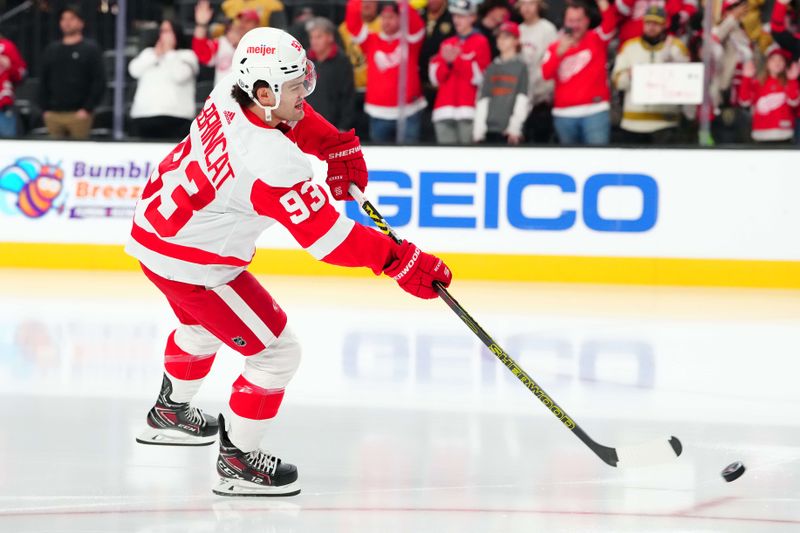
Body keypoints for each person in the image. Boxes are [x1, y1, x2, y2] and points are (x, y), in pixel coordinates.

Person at [125, 27, 452, 497]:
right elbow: (328, 240)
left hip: (156, 239)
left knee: (202, 328)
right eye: (298, 85)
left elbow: (290, 119)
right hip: (197, 265)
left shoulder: (228, 93)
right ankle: (238, 460)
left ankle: (169, 413)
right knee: (277, 352)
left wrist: (334, 143)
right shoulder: (272, 163)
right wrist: (399, 259)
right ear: (265, 91)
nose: (306, 93)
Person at [345, 0, 427, 143]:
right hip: (379, 113)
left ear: (400, 18)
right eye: (383, 17)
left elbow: (417, 27)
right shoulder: (371, 40)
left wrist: (402, 3)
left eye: (391, 17)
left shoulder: (410, 41)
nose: (386, 21)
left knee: (410, 158)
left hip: (409, 112)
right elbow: (353, 24)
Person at [541, 0, 617, 145]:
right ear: (564, 22)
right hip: (564, 115)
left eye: (579, 20)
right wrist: (558, 54)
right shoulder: (555, 47)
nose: (575, 25)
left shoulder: (597, 38)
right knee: (571, 163)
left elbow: (610, 22)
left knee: (598, 160)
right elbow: (545, 74)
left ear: (587, 21)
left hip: (595, 112)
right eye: (571, 20)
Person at [611, 6, 690, 143]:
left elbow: (687, 81)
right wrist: (630, 75)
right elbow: (617, 82)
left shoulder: (677, 47)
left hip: (665, 123)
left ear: (665, 24)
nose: (651, 27)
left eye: (656, 23)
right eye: (648, 23)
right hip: (632, 122)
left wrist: (673, 62)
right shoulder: (629, 47)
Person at [37, 5, 105, 140]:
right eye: (63, 19)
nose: (66, 22)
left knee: (78, 154)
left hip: (79, 114)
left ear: (81, 23)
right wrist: (45, 109)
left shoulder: (90, 49)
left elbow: (99, 80)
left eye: (71, 19)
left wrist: (87, 108)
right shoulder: (52, 49)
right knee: (54, 157)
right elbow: (43, 80)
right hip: (53, 114)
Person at [429, 0, 492, 144]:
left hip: (468, 110)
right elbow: (435, 78)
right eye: (455, 16)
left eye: (462, 16)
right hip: (443, 110)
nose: (457, 20)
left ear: (472, 18)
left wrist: (456, 60)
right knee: (446, 162)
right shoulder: (447, 43)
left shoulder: (481, 41)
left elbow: (480, 78)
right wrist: (447, 62)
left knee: (468, 160)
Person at [129, 20, 199, 139]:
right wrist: (156, 54)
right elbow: (133, 70)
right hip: (143, 116)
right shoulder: (148, 53)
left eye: (168, 31)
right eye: (162, 31)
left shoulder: (187, 55)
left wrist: (169, 53)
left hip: (177, 118)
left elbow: (180, 76)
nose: (164, 35)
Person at [473, 21, 530, 144]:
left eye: (506, 37)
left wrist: (515, 128)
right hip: (489, 129)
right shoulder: (491, 67)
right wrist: (479, 130)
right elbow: (483, 99)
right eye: (499, 37)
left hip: (509, 132)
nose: (501, 40)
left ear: (516, 40)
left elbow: (523, 98)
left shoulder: (521, 67)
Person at [338, 0, 382, 140]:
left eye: (371, 1)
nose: (367, 4)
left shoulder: (384, 24)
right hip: (351, 91)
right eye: (363, 1)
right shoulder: (343, 29)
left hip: (375, 91)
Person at [305, 17, 356, 131]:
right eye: (312, 37)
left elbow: (348, 97)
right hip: (307, 126)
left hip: (333, 127)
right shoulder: (304, 61)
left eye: (319, 37)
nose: (314, 41)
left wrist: (343, 126)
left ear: (330, 37)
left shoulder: (342, 62)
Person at [517, 0, 557, 143]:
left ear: (538, 6)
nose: (526, 8)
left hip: (541, 99)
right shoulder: (518, 30)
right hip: (521, 98)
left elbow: (552, 61)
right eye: (523, 4)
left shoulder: (547, 29)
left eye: (531, 4)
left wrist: (546, 93)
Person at [193, 1, 261, 86]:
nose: (242, 24)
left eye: (248, 21)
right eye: (241, 20)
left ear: (257, 25)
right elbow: (201, 52)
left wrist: (240, 46)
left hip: (250, 96)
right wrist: (201, 25)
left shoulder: (263, 46)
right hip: (223, 97)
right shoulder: (223, 42)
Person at [739, 47, 799, 143]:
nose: (777, 62)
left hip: (784, 135)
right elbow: (744, 101)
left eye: (780, 60)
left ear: (785, 64)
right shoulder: (757, 82)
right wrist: (746, 78)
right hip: (760, 135)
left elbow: (794, 102)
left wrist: (793, 80)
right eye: (773, 59)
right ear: (767, 63)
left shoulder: (789, 82)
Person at [0, 33, 26, 138]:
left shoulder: (7, 46)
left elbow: (20, 74)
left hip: (3, 106)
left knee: (7, 144)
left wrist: (9, 65)